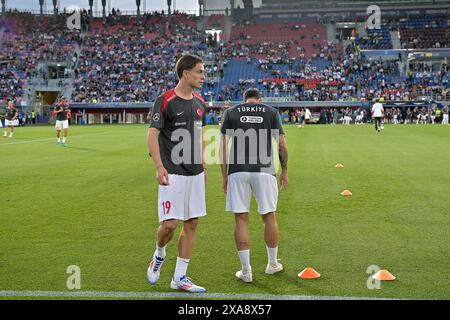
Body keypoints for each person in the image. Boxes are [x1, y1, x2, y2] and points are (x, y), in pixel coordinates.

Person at [147, 54, 207, 293]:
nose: (203, 76)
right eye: (199, 72)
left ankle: (180, 277)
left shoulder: (201, 102)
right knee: (170, 224)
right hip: (172, 173)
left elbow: (199, 136)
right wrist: (159, 166)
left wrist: (202, 165)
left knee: (191, 224)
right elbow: (152, 134)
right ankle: (159, 254)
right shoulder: (165, 100)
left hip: (194, 174)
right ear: (186, 73)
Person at [220, 88, 289, 283]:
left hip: (238, 170)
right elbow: (282, 145)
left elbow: (223, 146)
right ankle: (273, 264)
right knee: (269, 216)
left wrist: (224, 175)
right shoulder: (271, 111)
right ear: (260, 99)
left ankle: (246, 271)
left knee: (241, 219)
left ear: (244, 100)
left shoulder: (231, 112)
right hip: (265, 170)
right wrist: (284, 171)